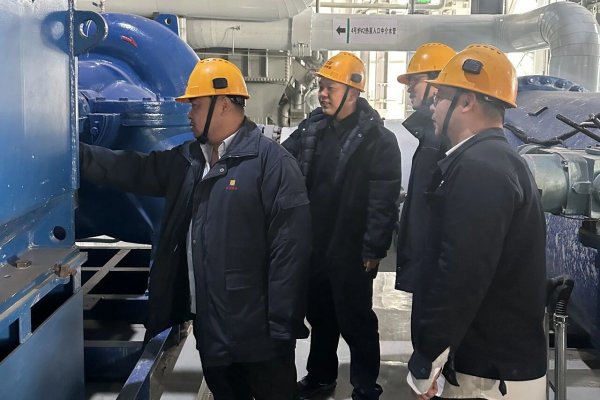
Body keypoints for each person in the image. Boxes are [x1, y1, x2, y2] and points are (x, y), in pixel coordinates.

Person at [80, 58, 312, 400]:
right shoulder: (189, 159)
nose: (189, 114)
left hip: (259, 337)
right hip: (211, 329)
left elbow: (291, 252)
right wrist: (76, 154)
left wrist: (281, 327)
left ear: (224, 105)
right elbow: (134, 169)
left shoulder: (272, 164)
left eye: (196, 105)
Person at [406, 44, 547, 400]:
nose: (433, 107)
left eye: (440, 97)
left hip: (486, 377)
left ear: (466, 102)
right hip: (489, 366)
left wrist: (427, 358)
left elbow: (460, 274)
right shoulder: (489, 159)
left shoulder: (480, 169)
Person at [283, 52, 402, 400]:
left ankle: (365, 385)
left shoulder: (379, 141)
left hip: (351, 248)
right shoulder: (312, 130)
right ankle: (321, 376)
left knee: (356, 320)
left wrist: (374, 248)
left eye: (330, 88)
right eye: (321, 87)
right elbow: (282, 160)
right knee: (320, 315)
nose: (322, 94)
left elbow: (383, 201)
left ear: (353, 91)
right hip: (314, 243)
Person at [395, 43, 456, 294]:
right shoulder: (429, 135)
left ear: (437, 81)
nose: (409, 88)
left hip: (432, 272)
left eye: (414, 81)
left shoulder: (440, 139)